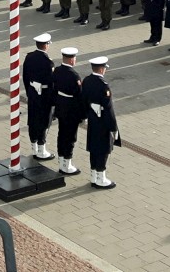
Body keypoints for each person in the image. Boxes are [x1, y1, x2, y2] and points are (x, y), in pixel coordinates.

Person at [81, 56, 119, 189]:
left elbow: (83, 99)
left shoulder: (86, 80)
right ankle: (101, 178)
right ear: (102, 69)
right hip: (103, 122)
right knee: (103, 149)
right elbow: (109, 109)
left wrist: (85, 115)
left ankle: (93, 176)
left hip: (92, 119)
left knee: (93, 147)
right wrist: (114, 127)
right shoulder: (104, 86)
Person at [23, 33, 55, 160]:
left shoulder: (29, 57)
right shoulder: (48, 62)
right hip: (45, 95)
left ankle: (34, 147)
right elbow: (52, 83)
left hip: (32, 93)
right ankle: (42, 149)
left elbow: (25, 76)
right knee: (44, 120)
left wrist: (29, 92)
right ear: (46, 45)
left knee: (33, 118)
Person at [52, 46, 84, 176]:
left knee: (61, 134)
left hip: (60, 106)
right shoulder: (74, 75)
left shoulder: (57, 71)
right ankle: (67, 164)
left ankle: (61, 161)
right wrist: (82, 115)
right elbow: (79, 96)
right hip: (71, 109)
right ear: (71, 60)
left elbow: (53, 88)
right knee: (70, 137)